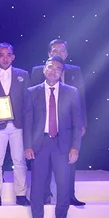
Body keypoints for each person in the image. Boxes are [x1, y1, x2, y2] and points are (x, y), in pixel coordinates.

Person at [25, 57, 83, 218]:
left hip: (62, 144)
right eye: (50, 67)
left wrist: (75, 147)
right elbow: (28, 121)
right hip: (39, 144)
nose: (53, 71)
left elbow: (77, 123)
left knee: (63, 184)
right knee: (37, 183)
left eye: (58, 69)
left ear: (62, 72)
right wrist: (28, 146)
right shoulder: (32, 92)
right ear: (44, 69)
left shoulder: (71, 92)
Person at [30, 39, 87, 206]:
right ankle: (45, 194)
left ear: (66, 54)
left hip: (68, 124)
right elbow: (32, 99)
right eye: (54, 51)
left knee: (70, 161)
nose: (58, 54)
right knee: (44, 163)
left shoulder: (75, 71)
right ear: (49, 54)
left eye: (62, 51)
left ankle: (70, 195)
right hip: (45, 125)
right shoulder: (38, 71)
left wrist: (83, 123)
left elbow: (81, 98)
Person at [0, 43, 29, 206]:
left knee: (20, 160)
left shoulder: (23, 74)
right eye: (1, 55)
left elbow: (28, 100)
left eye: (8, 54)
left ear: (13, 57)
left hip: (18, 124)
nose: (5, 58)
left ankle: (21, 193)